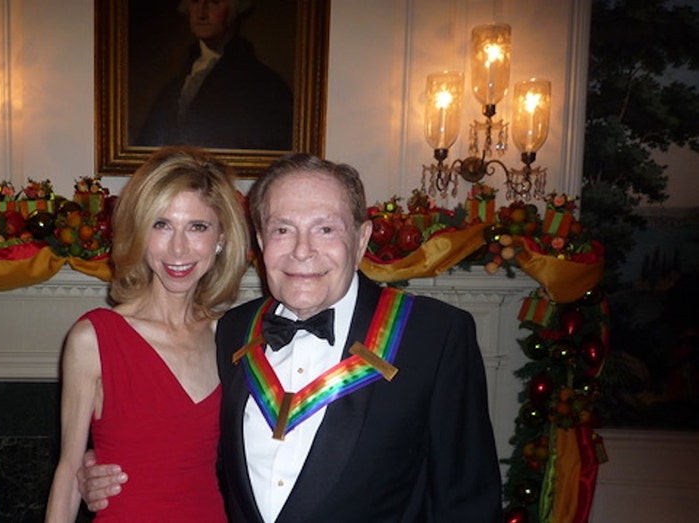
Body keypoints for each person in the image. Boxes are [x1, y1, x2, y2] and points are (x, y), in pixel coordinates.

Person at [79, 153, 503, 522]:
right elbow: (197, 449)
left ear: (361, 240)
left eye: (325, 229)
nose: (302, 251)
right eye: (283, 229)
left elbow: (467, 503)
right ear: (261, 242)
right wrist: (99, 469)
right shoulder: (231, 330)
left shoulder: (434, 335)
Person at [44, 145, 251, 522]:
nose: (178, 248)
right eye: (161, 224)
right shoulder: (94, 339)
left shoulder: (232, 337)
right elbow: (68, 473)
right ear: (140, 232)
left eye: (198, 227)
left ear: (221, 237)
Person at [134, 0, 293, 150]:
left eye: (214, 2)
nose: (201, 13)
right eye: (195, 1)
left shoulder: (264, 85)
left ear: (236, 9)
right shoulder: (175, 85)